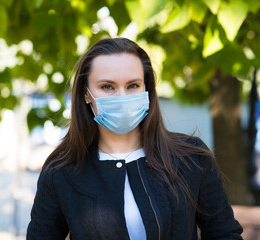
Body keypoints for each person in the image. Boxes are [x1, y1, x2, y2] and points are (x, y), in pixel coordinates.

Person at [26, 38, 243, 240]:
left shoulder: (192, 158)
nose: (122, 97)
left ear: (147, 90)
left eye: (133, 86)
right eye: (107, 87)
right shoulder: (61, 170)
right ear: (86, 94)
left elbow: (225, 234)